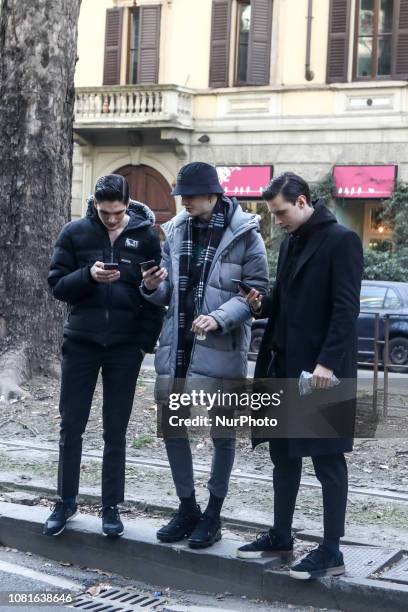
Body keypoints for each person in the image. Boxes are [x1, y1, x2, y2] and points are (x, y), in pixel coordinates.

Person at [236, 172, 363, 580]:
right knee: (282, 455)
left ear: (304, 202)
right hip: (282, 366)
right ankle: (281, 535)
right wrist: (260, 303)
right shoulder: (292, 240)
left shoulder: (342, 241)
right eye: (274, 214)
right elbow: (287, 301)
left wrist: (327, 363)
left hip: (321, 372)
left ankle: (331, 551)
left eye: (281, 212)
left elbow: (346, 309)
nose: (277, 221)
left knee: (328, 460)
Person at [140, 162, 269, 548]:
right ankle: (187, 508)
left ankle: (213, 513)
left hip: (222, 348)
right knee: (173, 429)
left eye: (191, 196)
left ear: (214, 195)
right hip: (176, 346)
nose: (185, 202)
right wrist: (150, 286)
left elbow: (256, 295)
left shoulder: (247, 236)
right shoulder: (176, 229)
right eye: (182, 196)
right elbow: (166, 292)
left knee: (222, 435)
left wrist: (219, 317)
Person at [43, 174, 164, 538]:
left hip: (125, 347)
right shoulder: (75, 233)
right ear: (94, 204)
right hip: (81, 342)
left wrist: (144, 338)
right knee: (71, 425)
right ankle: (65, 501)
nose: (111, 219)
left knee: (116, 430)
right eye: (104, 211)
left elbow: (154, 299)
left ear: (128, 205)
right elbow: (57, 286)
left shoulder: (145, 237)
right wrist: (89, 276)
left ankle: (111, 507)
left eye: (118, 212)